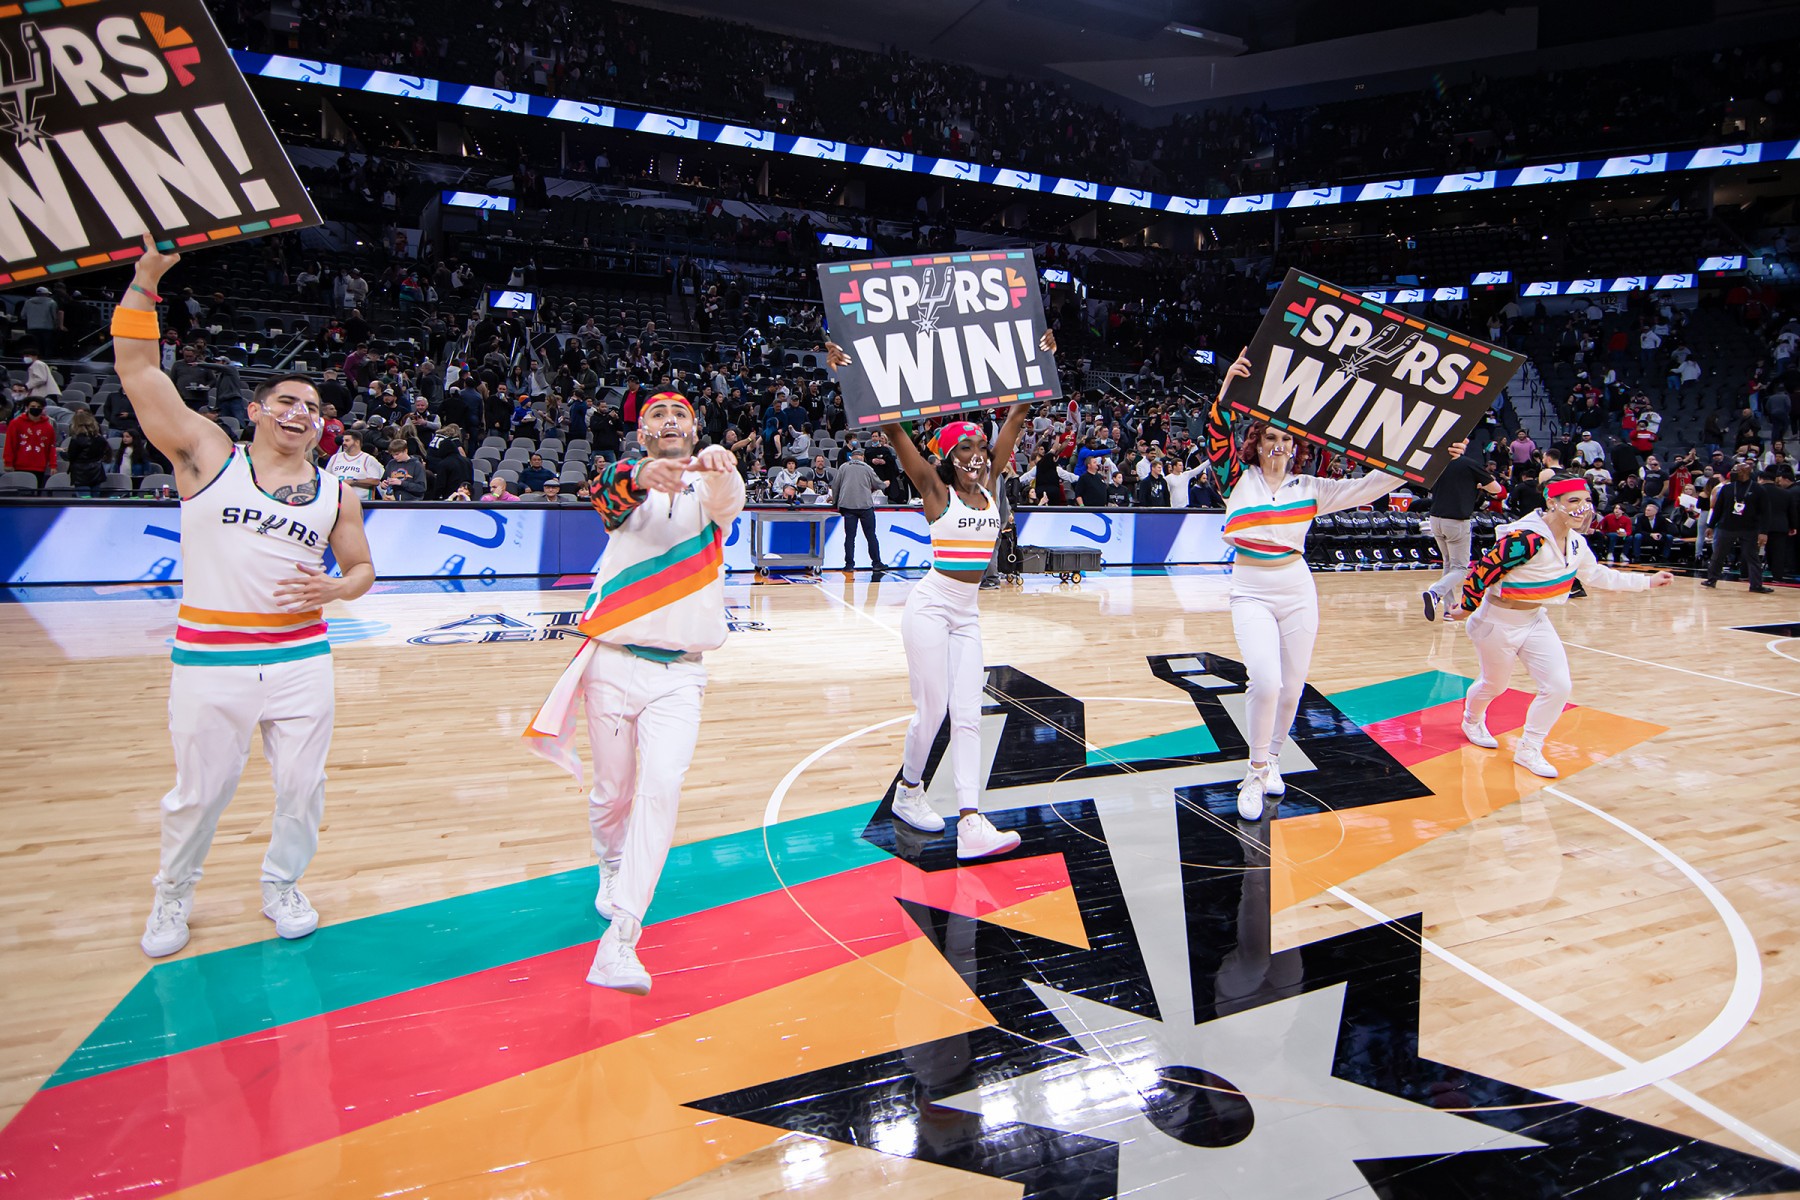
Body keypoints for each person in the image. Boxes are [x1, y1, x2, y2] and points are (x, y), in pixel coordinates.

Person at [112, 235, 376, 958]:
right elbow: (138, 369)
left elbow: (361, 570)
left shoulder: (338, 493)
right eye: (288, 400)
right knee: (199, 793)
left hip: (300, 658)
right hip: (210, 656)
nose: (301, 411)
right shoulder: (206, 454)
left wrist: (337, 587)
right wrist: (146, 279)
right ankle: (173, 893)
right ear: (257, 410)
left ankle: (282, 883)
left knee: (302, 788)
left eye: (313, 407)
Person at [522, 391, 745, 995]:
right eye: (657, 415)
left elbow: (728, 499)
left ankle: (621, 936)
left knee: (661, 788)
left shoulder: (714, 488)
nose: (670, 420)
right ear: (642, 432)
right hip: (613, 664)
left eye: (681, 414)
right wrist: (643, 473)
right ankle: (611, 861)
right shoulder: (623, 482)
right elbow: (607, 493)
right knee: (612, 792)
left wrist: (720, 465)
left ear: (696, 427)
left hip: (682, 673)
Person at [1210, 348, 1468, 819]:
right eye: (1270, 437)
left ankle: (1272, 760)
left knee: (1292, 686)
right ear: (1256, 442)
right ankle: (1254, 770)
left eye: (1286, 439)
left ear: (1296, 447)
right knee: (1264, 681)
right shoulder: (1236, 479)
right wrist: (1228, 390)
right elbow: (1216, 434)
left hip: (1296, 586)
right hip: (1250, 588)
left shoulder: (1311, 489)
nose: (1278, 445)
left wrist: (1434, 453)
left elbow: (1375, 483)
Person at [827, 336, 1053, 858]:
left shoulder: (991, 485)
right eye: (965, 448)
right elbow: (892, 427)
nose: (977, 454)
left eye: (981, 445)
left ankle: (971, 822)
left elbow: (1019, 411)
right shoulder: (935, 489)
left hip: (967, 614)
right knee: (931, 711)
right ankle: (909, 791)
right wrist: (849, 371)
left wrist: (1042, 354)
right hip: (930, 607)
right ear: (948, 458)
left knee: (969, 712)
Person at [1449, 475, 1673, 777]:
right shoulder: (1525, 539)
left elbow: (1597, 575)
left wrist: (1647, 582)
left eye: (1587, 501)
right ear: (1552, 503)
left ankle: (1530, 748)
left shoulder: (1577, 543)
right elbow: (1483, 571)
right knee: (1494, 685)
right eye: (1574, 501)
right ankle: (1472, 719)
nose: (1583, 507)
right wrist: (1466, 607)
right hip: (1496, 622)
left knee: (1558, 686)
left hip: (1535, 619)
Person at [1420, 450, 1500, 619]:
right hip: (1456, 520)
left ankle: (1448, 609)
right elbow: (1496, 489)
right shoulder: (1469, 464)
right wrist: (1479, 484)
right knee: (1460, 568)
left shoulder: (1437, 462)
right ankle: (1435, 592)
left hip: (1435, 519)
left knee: (1449, 564)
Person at [1704, 459, 1772, 592]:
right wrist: (1710, 525)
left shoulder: (1759, 489)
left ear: (1746, 472)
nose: (1733, 472)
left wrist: (1763, 532)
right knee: (1718, 555)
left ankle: (1756, 585)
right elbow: (1718, 509)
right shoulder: (1727, 488)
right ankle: (1711, 579)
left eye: (1737, 470)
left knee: (1752, 557)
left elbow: (1766, 512)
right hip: (1726, 527)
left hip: (1749, 528)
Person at [835, 446, 886, 578]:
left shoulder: (843, 467)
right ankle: (876, 563)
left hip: (848, 506)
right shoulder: (867, 468)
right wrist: (885, 484)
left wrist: (836, 503)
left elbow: (836, 485)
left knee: (850, 537)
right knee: (871, 536)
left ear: (851, 457)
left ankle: (849, 564)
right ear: (862, 457)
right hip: (865, 507)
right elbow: (878, 484)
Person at [3, 394, 57, 486]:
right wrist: (8, 463)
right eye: (33, 406)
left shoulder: (48, 427)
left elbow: (51, 447)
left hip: (40, 467)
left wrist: (53, 465)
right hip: (19, 466)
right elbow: (10, 444)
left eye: (39, 407)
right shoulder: (15, 424)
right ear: (27, 407)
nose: (36, 408)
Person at [325, 430, 384, 499]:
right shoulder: (335, 457)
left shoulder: (368, 459)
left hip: (361, 501)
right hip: (337, 499)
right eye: (343, 441)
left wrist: (353, 482)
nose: (343, 443)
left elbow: (375, 481)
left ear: (357, 442)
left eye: (347, 440)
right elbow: (326, 477)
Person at [64, 408, 110, 494]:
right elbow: (104, 453)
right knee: (95, 500)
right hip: (96, 472)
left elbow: (71, 456)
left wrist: (63, 453)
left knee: (84, 500)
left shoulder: (76, 439)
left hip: (81, 475)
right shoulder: (100, 439)